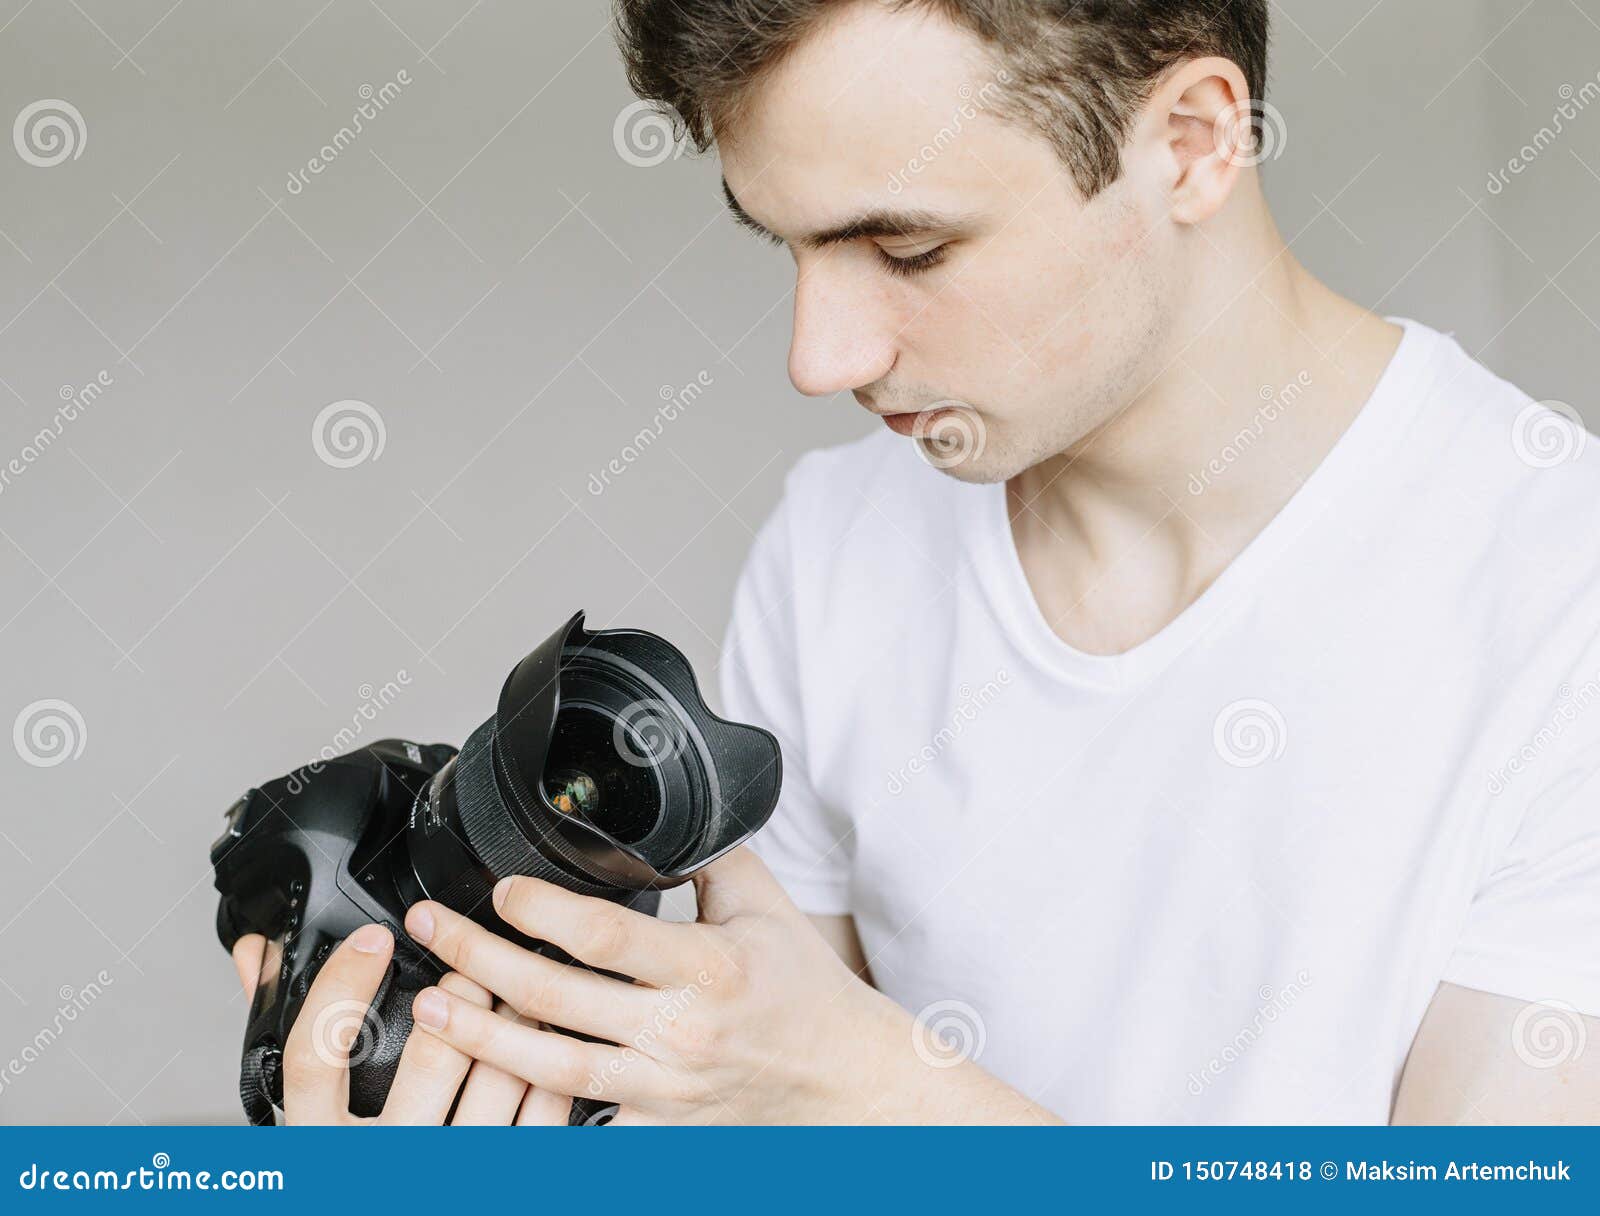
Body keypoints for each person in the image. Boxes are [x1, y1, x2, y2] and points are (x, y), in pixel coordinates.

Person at [230, 0, 1600, 1123]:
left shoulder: (1556, 594)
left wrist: (883, 1090)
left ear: (1190, 142)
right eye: (788, 245)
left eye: (909, 247)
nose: (817, 358)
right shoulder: (835, 551)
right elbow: (770, 1145)